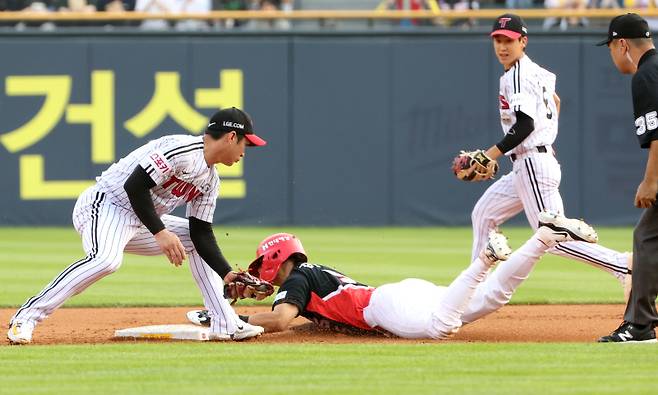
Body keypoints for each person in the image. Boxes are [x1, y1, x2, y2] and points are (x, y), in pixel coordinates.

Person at [7, 107, 267, 344]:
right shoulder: (181, 149)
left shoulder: (210, 180)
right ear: (232, 137)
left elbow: (201, 232)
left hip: (140, 220)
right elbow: (135, 185)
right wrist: (160, 232)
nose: (245, 152)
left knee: (190, 236)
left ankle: (225, 322)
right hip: (106, 204)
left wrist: (226, 273)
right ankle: (26, 317)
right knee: (106, 260)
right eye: (246, 143)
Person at [186, 211, 598, 339]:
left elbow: (279, 320)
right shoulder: (311, 275)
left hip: (387, 306)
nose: (263, 274)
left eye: (263, 265)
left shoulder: (298, 280)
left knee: (441, 328)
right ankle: (544, 237)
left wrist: (232, 319)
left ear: (278, 257)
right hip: (399, 295)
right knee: (491, 298)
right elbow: (304, 321)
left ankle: (486, 257)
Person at [468, 13, 631, 300]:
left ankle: (623, 266)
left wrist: (489, 154)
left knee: (553, 238)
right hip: (529, 163)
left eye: (510, 40)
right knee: (484, 214)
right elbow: (554, 103)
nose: (503, 47)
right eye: (498, 40)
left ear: (523, 42)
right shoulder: (537, 72)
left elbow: (525, 124)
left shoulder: (517, 75)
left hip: (532, 162)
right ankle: (474, 288)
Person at [597, 13, 658, 343]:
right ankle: (640, 322)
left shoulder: (646, 75)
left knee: (647, 238)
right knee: (647, 236)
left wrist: (651, 180)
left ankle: (640, 325)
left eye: (610, 47)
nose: (612, 54)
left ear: (622, 44)